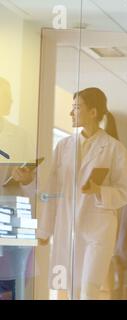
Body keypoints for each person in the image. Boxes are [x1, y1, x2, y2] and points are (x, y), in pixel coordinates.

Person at [36, 87, 127, 300]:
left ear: (93, 112)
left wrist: (99, 190)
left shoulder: (114, 149)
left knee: (89, 290)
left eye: (77, 108)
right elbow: (52, 190)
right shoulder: (63, 146)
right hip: (70, 226)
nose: (71, 113)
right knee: (72, 291)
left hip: (98, 231)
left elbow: (124, 193)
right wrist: (44, 230)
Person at [0, 77, 36, 300]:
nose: (11, 101)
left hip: (13, 213)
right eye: (6, 97)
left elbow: (31, 179)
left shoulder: (20, 135)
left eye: (10, 97)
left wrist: (26, 176)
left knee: (14, 280)